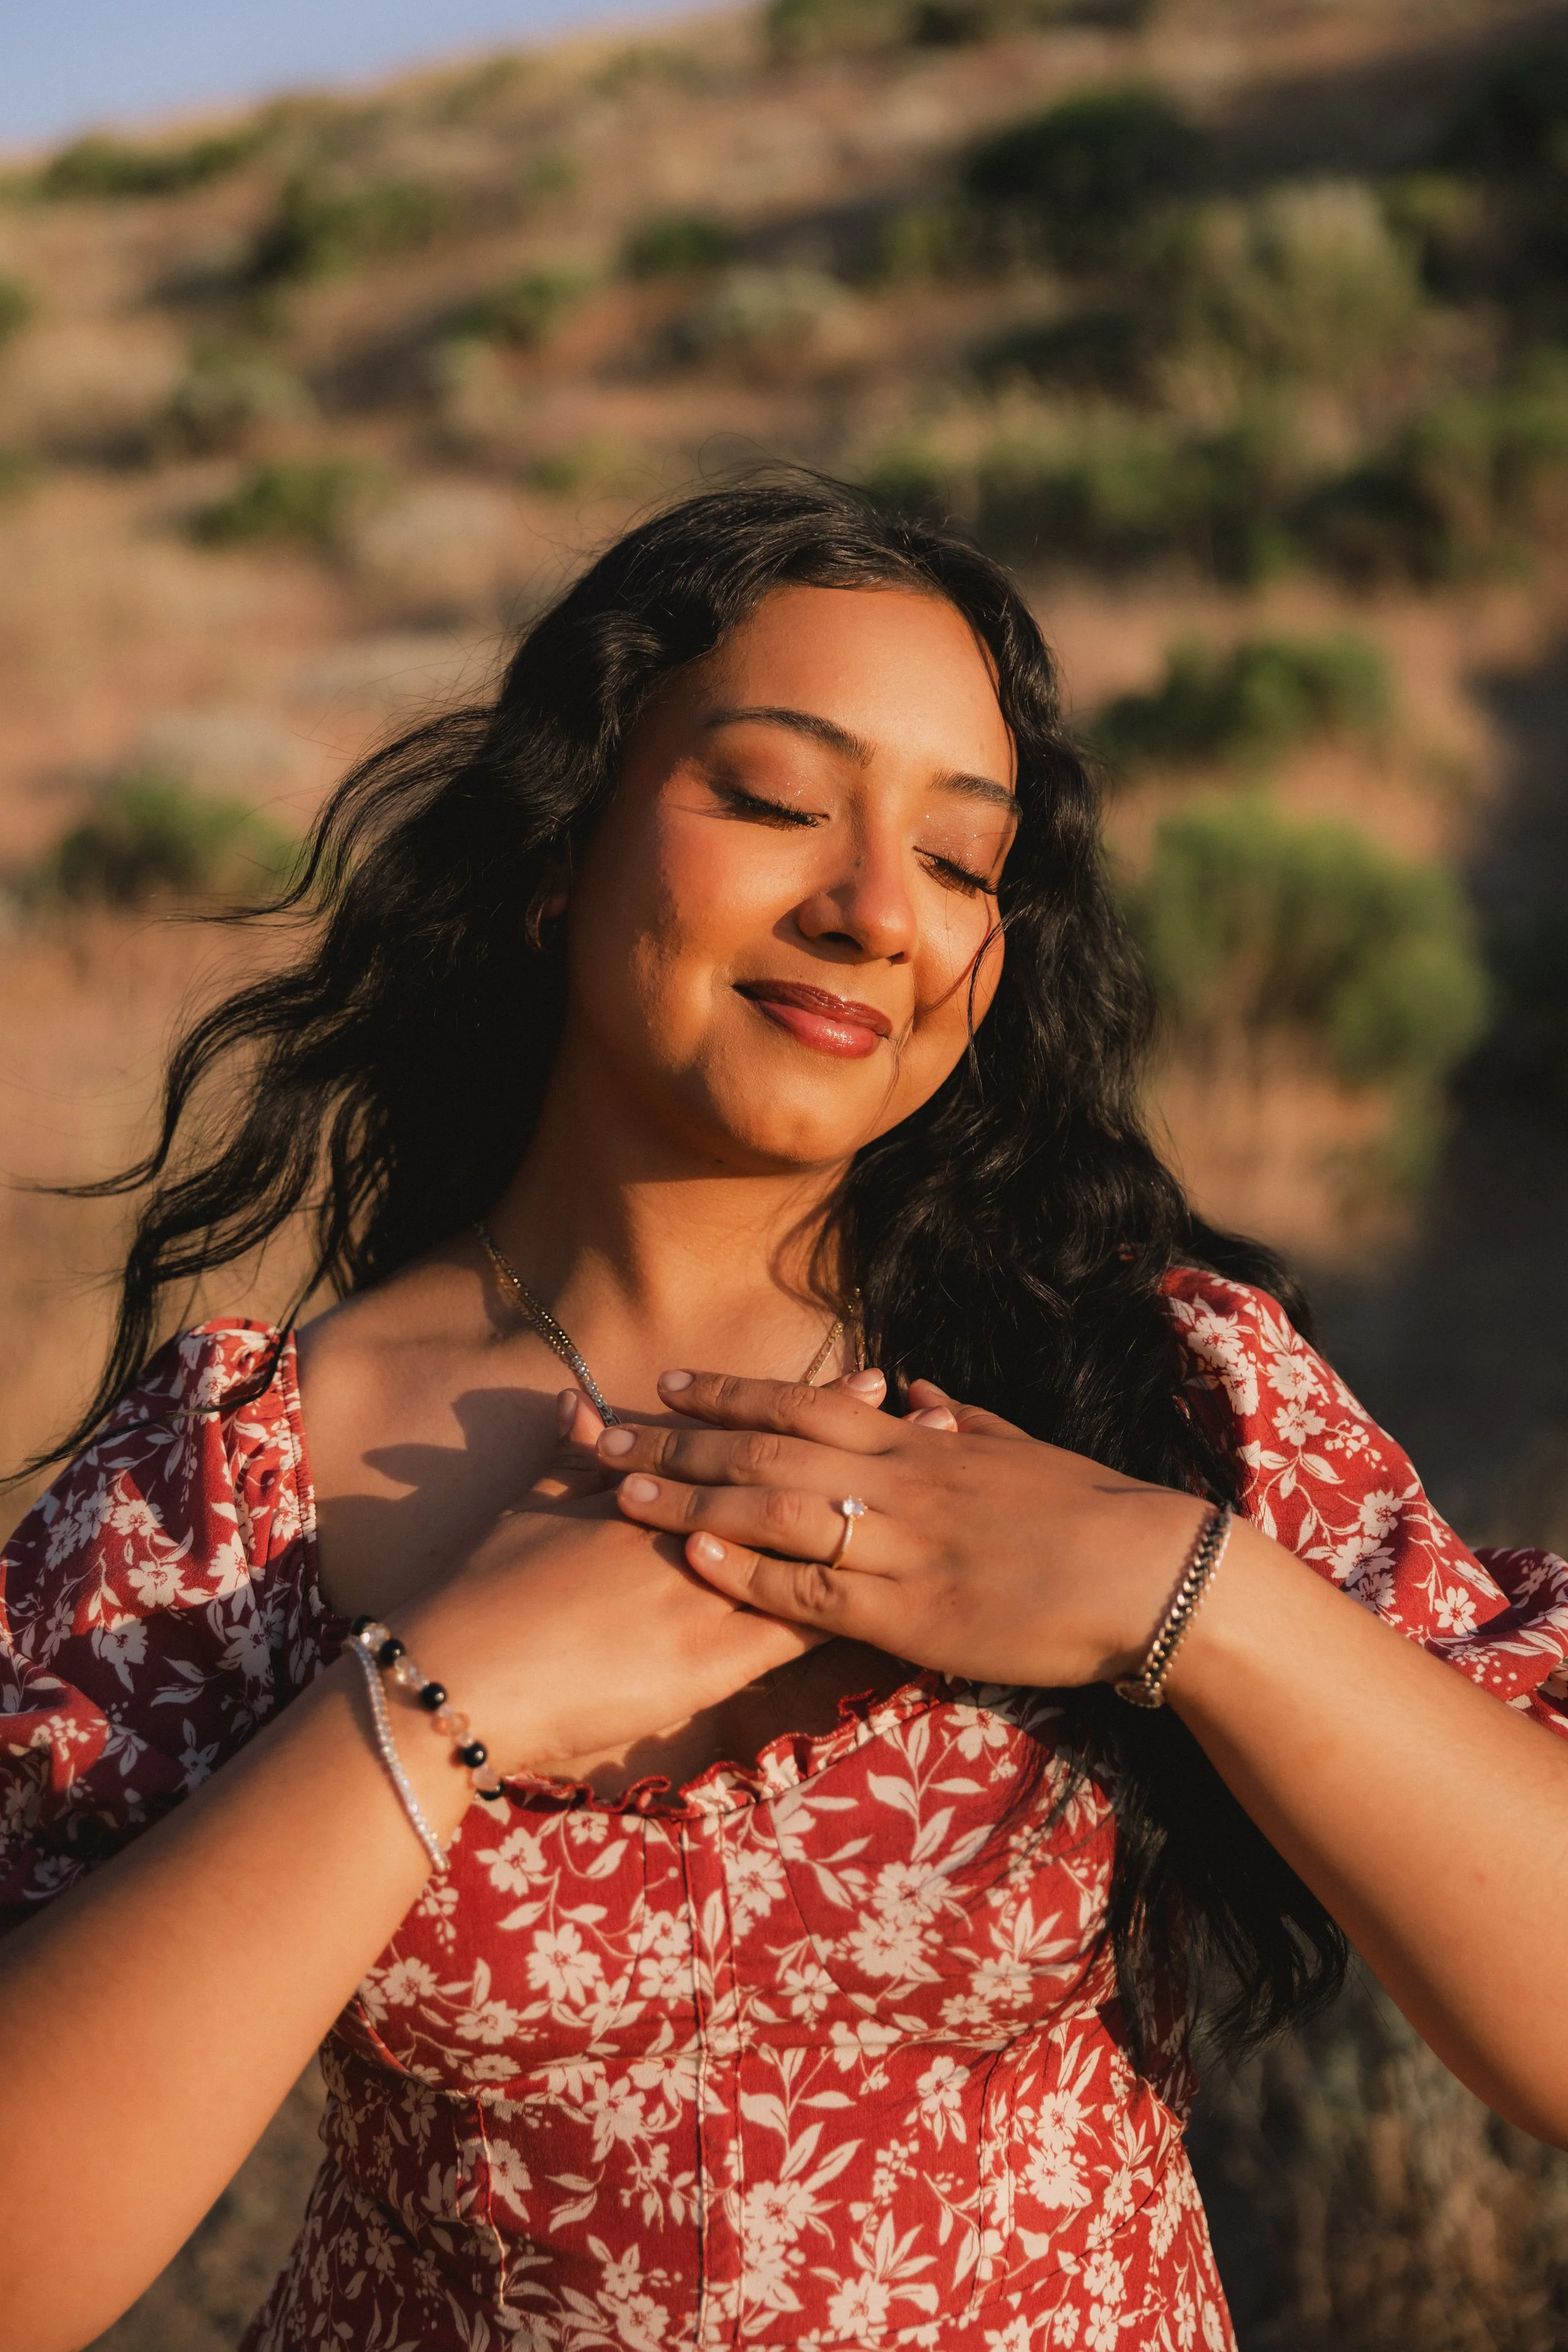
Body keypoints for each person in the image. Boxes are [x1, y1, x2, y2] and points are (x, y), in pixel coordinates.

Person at [3, 479, 1568, 2352]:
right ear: (553, 847)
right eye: (767, 800)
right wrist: (430, 1712)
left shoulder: (1154, 1395)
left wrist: (1179, 1592)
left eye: (963, 861)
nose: (871, 913)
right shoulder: (244, 1484)